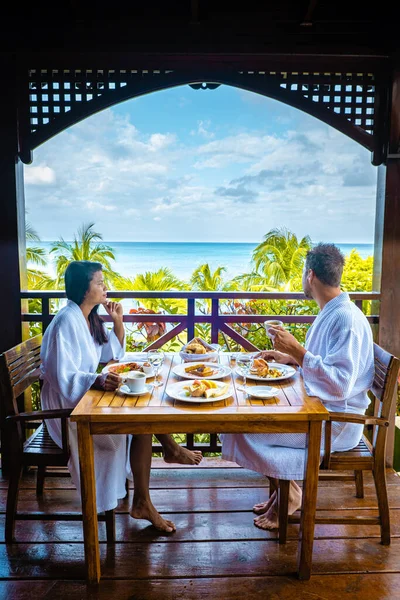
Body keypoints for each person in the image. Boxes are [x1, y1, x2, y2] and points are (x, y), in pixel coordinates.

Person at [40, 260, 201, 533]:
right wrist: (97, 379)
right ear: (83, 288)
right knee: (138, 423)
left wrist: (117, 322)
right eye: (100, 283)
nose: (106, 288)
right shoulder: (66, 322)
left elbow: (108, 356)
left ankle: (148, 490)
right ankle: (147, 492)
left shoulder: (86, 316)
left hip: (83, 399)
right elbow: (63, 377)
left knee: (141, 415)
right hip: (67, 411)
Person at [221, 243, 374, 530]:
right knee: (242, 421)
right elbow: (328, 364)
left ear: (310, 275)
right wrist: (289, 358)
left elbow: (340, 385)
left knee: (243, 426)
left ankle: (289, 493)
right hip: (319, 409)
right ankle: (285, 491)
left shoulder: (345, 319)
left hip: (336, 423)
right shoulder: (334, 309)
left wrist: (299, 352)